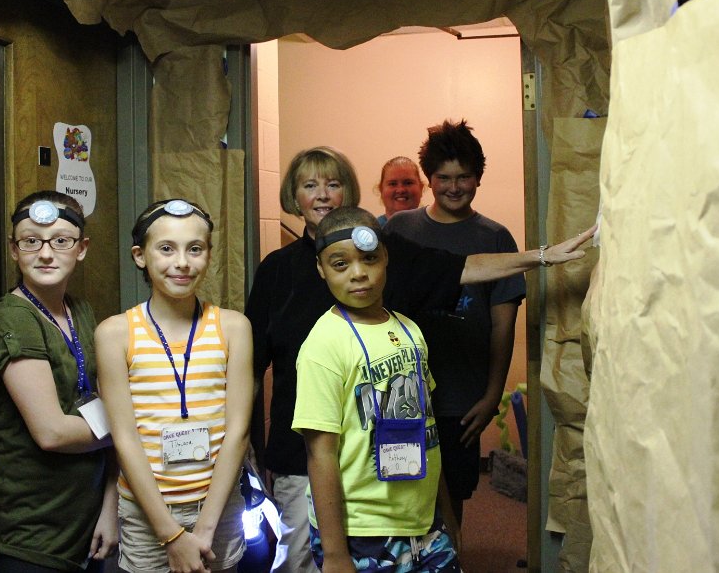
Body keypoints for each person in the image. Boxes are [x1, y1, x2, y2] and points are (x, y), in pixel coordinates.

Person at [247, 146, 594, 573]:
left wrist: (541, 257)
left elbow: (463, 268)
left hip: (391, 473)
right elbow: (251, 368)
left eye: (332, 184)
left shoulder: (398, 295)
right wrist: (246, 445)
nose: (358, 273)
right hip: (305, 455)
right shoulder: (279, 274)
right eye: (309, 185)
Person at [293, 206, 460, 572]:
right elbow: (320, 454)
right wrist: (335, 554)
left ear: (385, 256)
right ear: (321, 269)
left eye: (369, 259)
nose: (358, 273)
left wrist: (447, 518)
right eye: (340, 264)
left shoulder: (410, 331)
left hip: (425, 523)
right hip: (362, 531)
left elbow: (427, 431)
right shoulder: (323, 346)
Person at [96, 199, 253, 573]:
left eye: (194, 249)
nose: (182, 262)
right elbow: (125, 438)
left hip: (218, 508)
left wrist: (206, 528)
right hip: (147, 513)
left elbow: (238, 431)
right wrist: (171, 535)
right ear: (140, 256)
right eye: (166, 249)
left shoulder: (233, 327)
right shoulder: (115, 334)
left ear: (209, 255)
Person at [385, 119, 525, 523]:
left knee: (453, 503)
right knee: (401, 495)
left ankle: (452, 556)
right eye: (443, 177)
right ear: (429, 179)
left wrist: (492, 395)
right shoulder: (401, 228)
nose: (453, 186)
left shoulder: (495, 237)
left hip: (462, 399)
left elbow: (503, 325)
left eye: (463, 177)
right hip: (402, 391)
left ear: (478, 177)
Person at [0, 190, 118, 572]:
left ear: (81, 248)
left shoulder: (80, 310)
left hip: (86, 524)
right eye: (31, 241)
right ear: (14, 249)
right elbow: (52, 432)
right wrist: (133, 427)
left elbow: (101, 403)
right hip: (32, 534)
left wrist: (110, 505)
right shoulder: (13, 318)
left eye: (61, 241)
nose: (46, 254)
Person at [374, 156, 424, 226]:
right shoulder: (372, 230)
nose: (401, 190)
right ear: (381, 189)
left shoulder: (435, 229)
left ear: (421, 188)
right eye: (392, 184)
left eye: (408, 183)